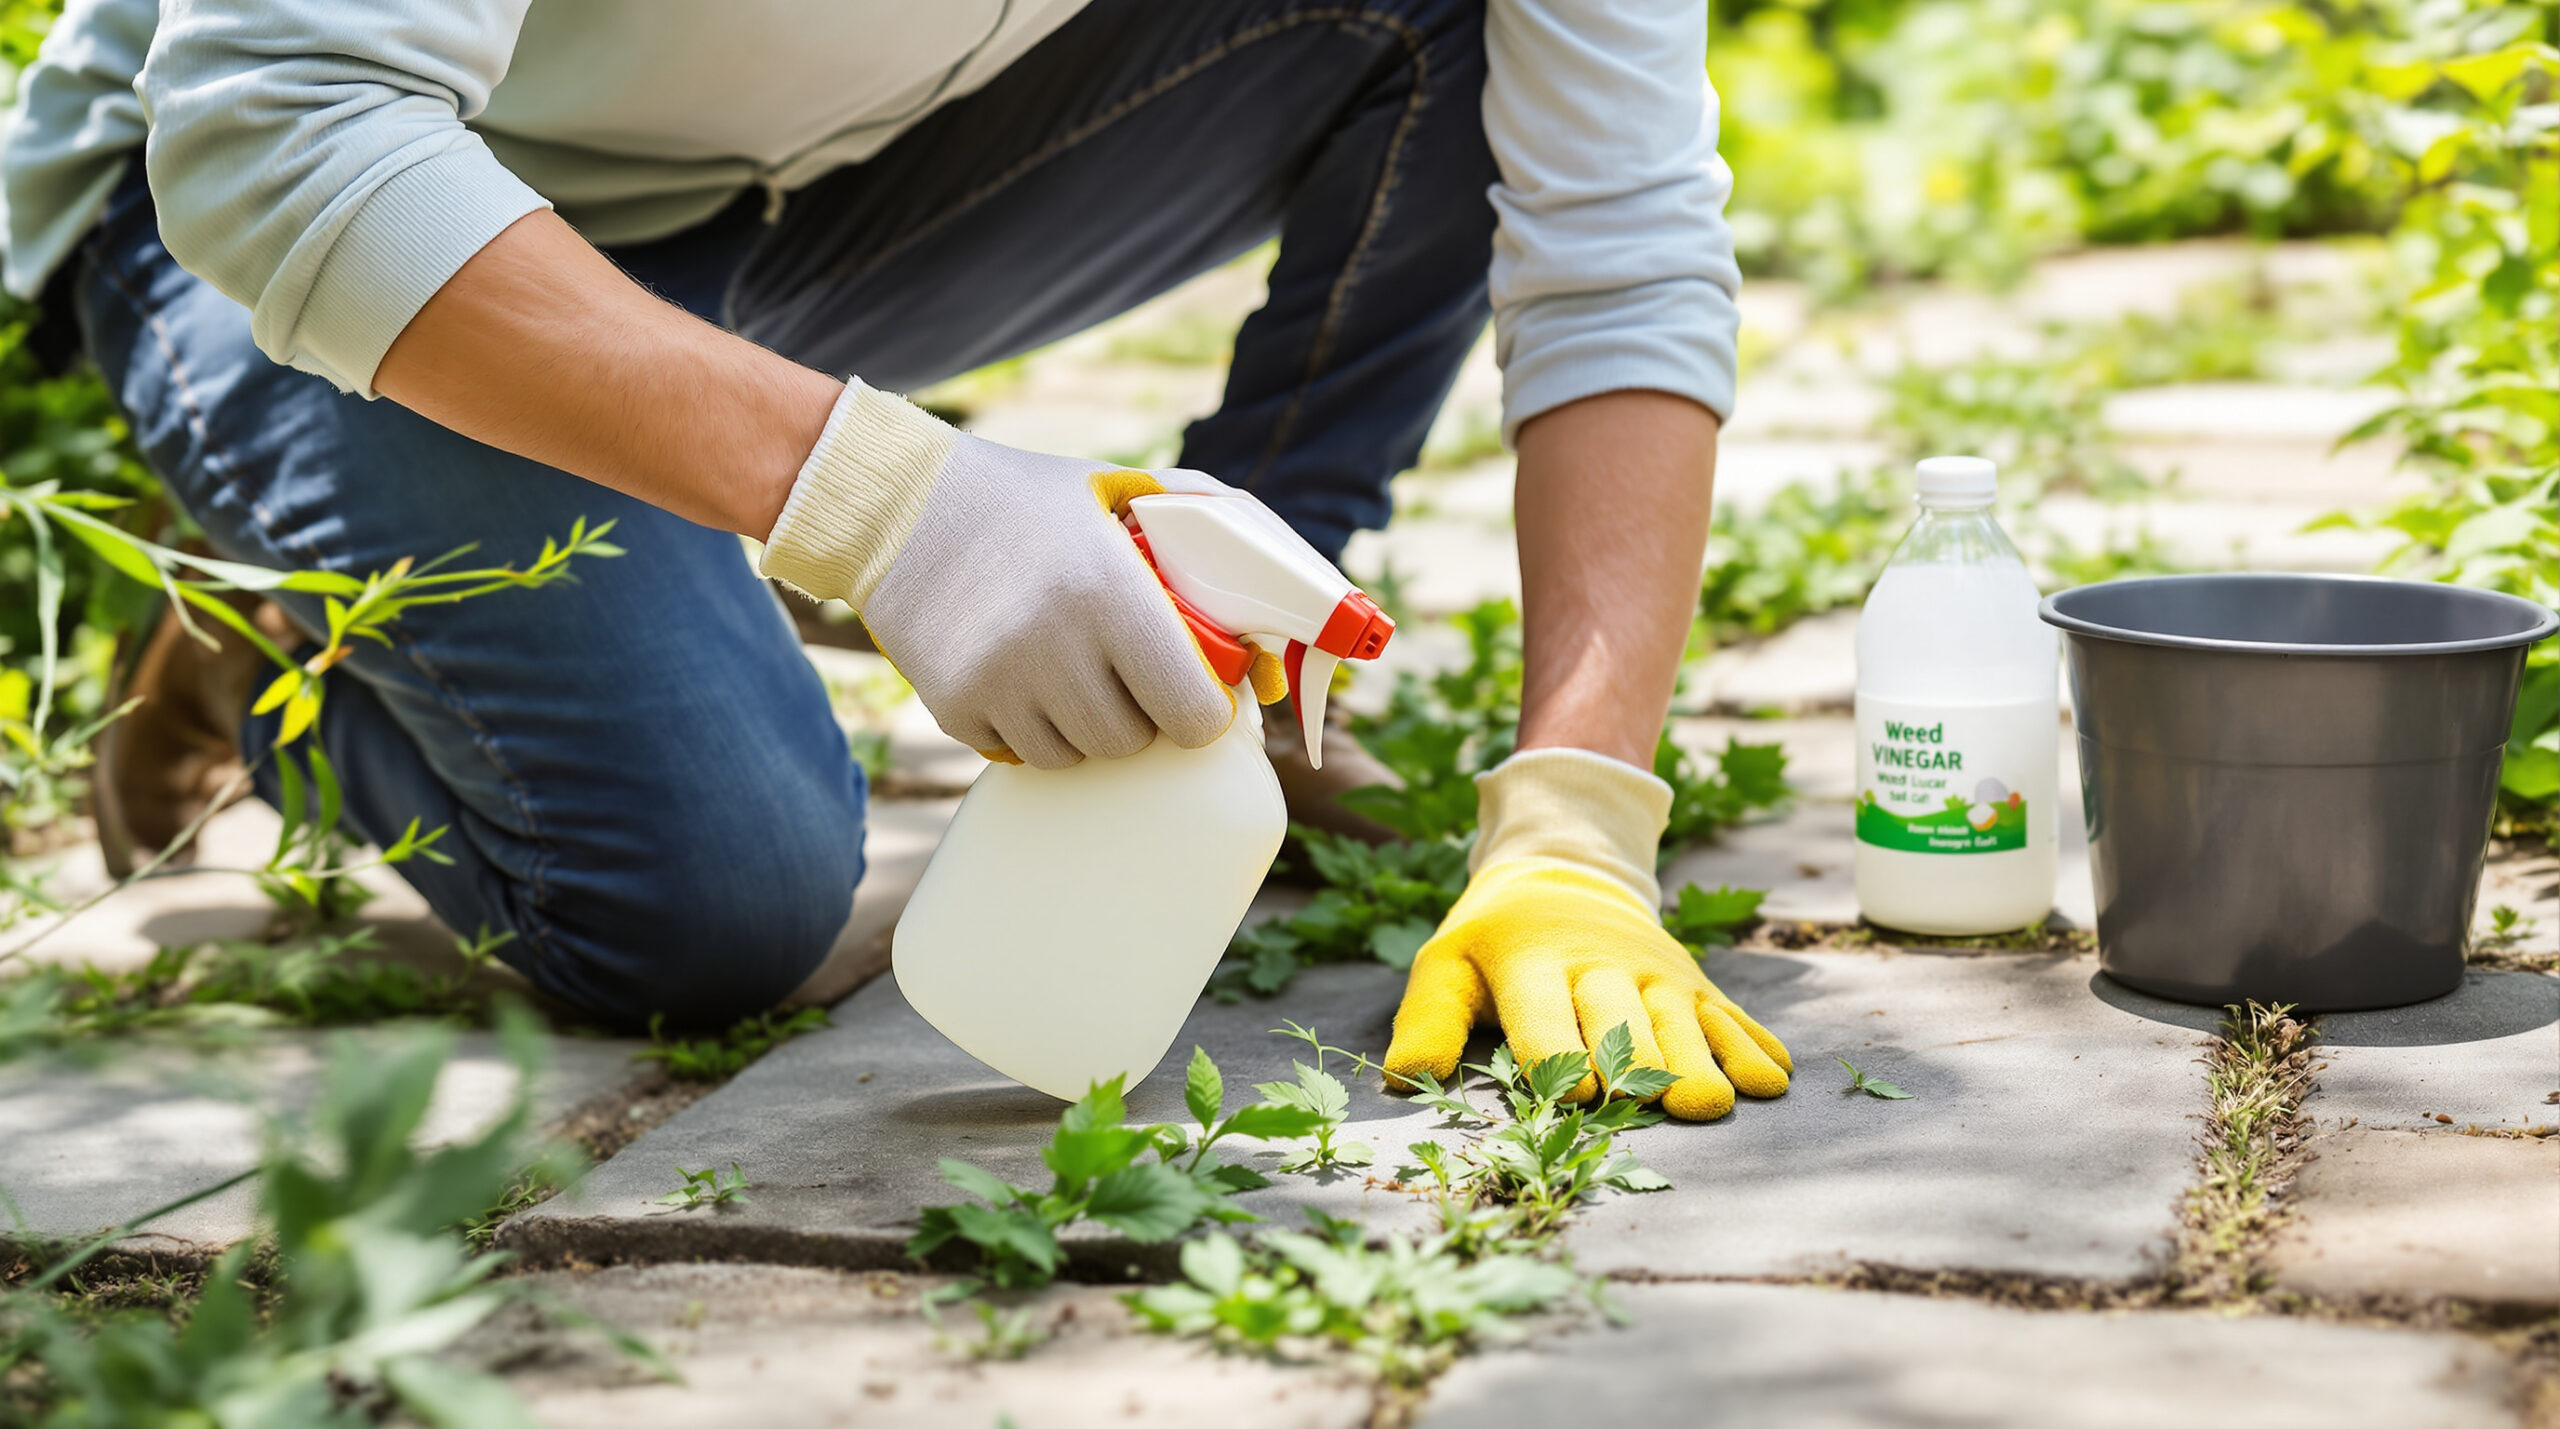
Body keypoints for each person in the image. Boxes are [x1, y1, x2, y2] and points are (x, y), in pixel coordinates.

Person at [1, 0, 1789, 1118]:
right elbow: (272, 125)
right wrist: (894, 508)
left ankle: (1213, 652)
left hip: (805, 192)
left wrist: (1578, 818)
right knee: (709, 904)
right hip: (299, 219)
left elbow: (1619, 239)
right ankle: (276, 633)